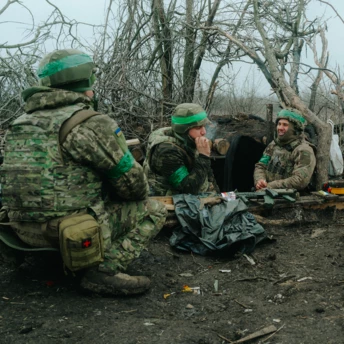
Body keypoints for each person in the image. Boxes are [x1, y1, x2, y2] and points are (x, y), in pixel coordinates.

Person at [0, 49, 167, 296]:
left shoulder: (20, 123)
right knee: (154, 209)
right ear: (85, 82)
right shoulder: (90, 122)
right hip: (68, 234)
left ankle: (40, 262)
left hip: (17, 233)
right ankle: (103, 270)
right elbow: (135, 187)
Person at [143, 103, 219, 196]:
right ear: (184, 129)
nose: (204, 132)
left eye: (203, 126)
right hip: (172, 202)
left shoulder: (188, 140)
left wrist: (217, 193)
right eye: (198, 127)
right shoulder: (166, 152)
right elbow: (187, 188)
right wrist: (203, 157)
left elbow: (208, 175)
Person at [254, 109, 316, 191]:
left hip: (293, 200)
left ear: (295, 128)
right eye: (279, 124)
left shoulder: (303, 150)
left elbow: (300, 181)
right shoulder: (274, 145)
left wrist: (270, 186)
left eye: (285, 125)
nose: (280, 128)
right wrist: (260, 180)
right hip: (268, 194)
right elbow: (261, 165)